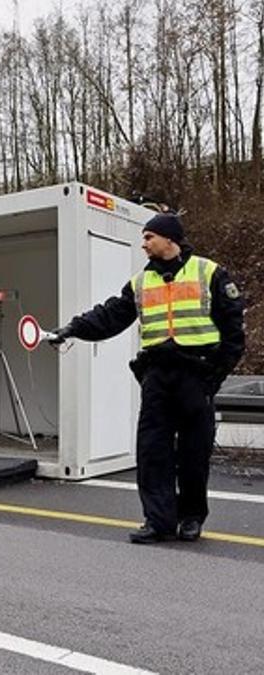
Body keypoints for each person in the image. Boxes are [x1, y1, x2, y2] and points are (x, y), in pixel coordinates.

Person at [50, 210, 244, 544]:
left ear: (170, 239)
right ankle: (159, 522)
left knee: (193, 455)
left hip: (195, 375)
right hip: (157, 377)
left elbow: (234, 333)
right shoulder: (141, 282)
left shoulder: (209, 273)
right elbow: (110, 315)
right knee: (152, 452)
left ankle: (191, 518)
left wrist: (214, 377)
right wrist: (72, 329)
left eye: (149, 237)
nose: (144, 244)